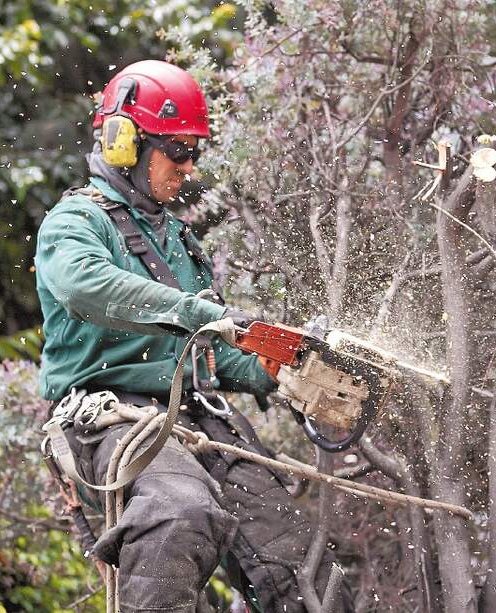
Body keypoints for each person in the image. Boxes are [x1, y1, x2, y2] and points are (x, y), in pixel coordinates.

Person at [34, 60, 347, 612]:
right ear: (124, 143)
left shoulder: (176, 238)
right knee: (179, 512)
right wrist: (191, 311)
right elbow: (87, 287)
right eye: (177, 148)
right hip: (112, 416)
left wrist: (281, 367)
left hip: (197, 414)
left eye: (194, 151)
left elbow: (210, 355)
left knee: (296, 562)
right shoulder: (75, 223)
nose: (188, 164)